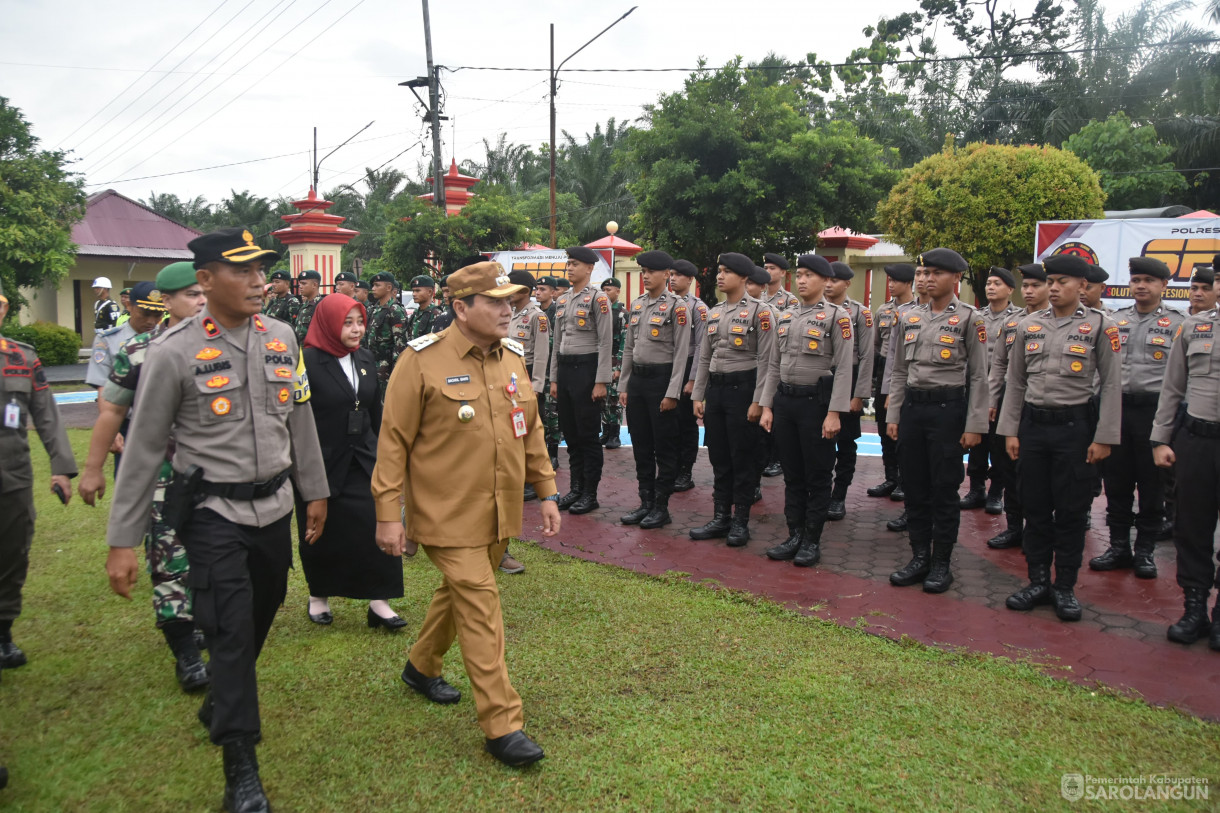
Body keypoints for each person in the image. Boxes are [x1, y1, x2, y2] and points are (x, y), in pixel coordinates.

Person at [103, 227, 330, 811]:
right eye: (243, 272)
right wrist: (123, 540)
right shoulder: (173, 351)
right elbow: (145, 448)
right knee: (228, 631)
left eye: (261, 270)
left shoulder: (282, 337)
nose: (259, 282)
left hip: (275, 506)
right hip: (211, 512)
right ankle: (241, 766)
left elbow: (298, 420)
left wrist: (316, 492)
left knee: (263, 608)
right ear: (205, 280)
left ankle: (224, 694)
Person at [372, 261, 560, 767]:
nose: (508, 309)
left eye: (509, 300)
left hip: (498, 511)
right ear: (460, 307)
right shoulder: (421, 361)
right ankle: (502, 724)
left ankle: (421, 664)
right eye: (495, 302)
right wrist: (389, 513)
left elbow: (531, 428)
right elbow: (392, 443)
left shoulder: (512, 357)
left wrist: (545, 489)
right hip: (444, 513)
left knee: (456, 596)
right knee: (480, 602)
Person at [79, 266, 209, 692]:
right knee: (169, 561)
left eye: (203, 293)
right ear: (167, 302)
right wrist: (94, 468)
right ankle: (186, 653)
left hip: (220, 478)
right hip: (164, 477)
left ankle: (204, 623)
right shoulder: (139, 350)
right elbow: (112, 412)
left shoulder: (228, 344)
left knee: (214, 560)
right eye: (192, 294)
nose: (202, 301)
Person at [999, 253, 1120, 622]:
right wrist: (1010, 430)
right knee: (1034, 507)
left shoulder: (1101, 326)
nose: (1053, 288)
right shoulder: (1028, 325)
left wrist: (1104, 438)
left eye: (1062, 282)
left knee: (1070, 511)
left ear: (1083, 286)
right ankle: (1037, 580)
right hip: (1033, 427)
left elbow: (1113, 384)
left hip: (1076, 428)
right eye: (1050, 281)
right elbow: (1015, 381)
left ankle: (1064, 586)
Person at [298, 292, 405, 628]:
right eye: (348, 322)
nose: (357, 329)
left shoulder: (366, 359)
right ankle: (319, 596)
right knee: (320, 531)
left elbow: (374, 413)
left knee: (378, 522)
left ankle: (379, 601)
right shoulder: (306, 361)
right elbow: (299, 418)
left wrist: (384, 455)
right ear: (329, 323)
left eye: (360, 322)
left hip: (363, 458)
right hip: (321, 460)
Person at [886, 248, 988, 593]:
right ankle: (919, 557)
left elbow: (979, 377)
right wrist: (894, 413)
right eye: (924, 272)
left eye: (936, 273)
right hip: (914, 409)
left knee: (944, 489)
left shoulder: (971, 319)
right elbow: (899, 370)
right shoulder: (909, 316)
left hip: (948, 411)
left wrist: (975, 425)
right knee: (914, 487)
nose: (927, 278)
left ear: (956, 278)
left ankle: (941, 562)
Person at [0, 279, 76, 670]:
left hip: (10, 476)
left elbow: (46, 416)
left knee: (12, 551)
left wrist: (61, 468)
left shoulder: (20, 357)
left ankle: (3, 631)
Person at [1090, 257, 1182, 579]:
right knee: (1116, 482)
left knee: (1152, 486)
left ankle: (1144, 552)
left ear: (1164, 285)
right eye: (1136, 280)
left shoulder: (1178, 322)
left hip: (1154, 413)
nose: (1141, 286)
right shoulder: (1114, 321)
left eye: (1149, 280)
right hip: (1117, 410)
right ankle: (1118, 547)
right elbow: (1102, 370)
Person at [759, 254, 853, 567]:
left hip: (817, 405)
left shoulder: (837, 317)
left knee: (817, 474)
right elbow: (774, 364)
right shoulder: (785, 315)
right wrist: (767, 405)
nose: (801, 280)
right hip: (786, 402)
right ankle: (794, 534)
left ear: (826, 281)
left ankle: (812, 540)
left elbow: (843, 370)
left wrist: (834, 413)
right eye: (799, 275)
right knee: (793, 475)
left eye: (809, 275)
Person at [690, 252, 776, 546]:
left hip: (744, 389)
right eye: (719, 270)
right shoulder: (714, 312)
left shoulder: (760, 312)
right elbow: (704, 358)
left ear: (743, 278)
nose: (720, 276)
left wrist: (759, 401)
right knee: (720, 458)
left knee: (743, 459)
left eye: (726, 271)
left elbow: (767, 360)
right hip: (718, 390)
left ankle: (740, 522)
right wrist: (698, 395)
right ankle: (720, 517)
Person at [1153, 292, 1220, 647]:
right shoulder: (1195, 326)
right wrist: (1160, 439)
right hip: (1197, 438)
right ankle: (1194, 609)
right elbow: (1173, 386)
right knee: (1191, 525)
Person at [618, 250, 690, 529]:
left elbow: (682, 353)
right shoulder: (636, 305)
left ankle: (661, 506)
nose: (645, 276)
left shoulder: (677, 306)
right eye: (642, 271)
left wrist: (673, 393)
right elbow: (629, 349)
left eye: (650, 272)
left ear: (666, 275)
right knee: (642, 445)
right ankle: (645, 502)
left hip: (662, 382)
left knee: (665, 447)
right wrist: (624, 384)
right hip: (638, 382)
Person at [985, 263, 1050, 550]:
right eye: (1026, 286)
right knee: (1007, 466)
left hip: (1045, 405)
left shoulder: (1064, 322)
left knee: (1041, 473)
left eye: (1036, 285)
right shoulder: (1012, 323)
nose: (1030, 291)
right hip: (1010, 402)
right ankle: (1014, 527)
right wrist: (991, 400)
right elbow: (998, 365)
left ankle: (1039, 530)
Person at [548, 247, 614, 514]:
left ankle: (590, 493)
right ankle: (575, 488)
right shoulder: (563, 300)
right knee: (571, 434)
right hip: (565, 371)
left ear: (589, 268)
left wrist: (601, 381)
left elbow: (605, 341)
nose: (570, 268)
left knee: (587, 435)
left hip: (587, 371)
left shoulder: (598, 299)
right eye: (569, 264)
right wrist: (553, 379)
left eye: (575, 264)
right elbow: (557, 343)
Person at [962, 267, 1023, 514]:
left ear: (1010, 289)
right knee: (977, 440)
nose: (990, 287)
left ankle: (996, 492)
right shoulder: (977, 316)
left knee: (999, 445)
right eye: (988, 283)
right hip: (977, 386)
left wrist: (997, 397)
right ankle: (976, 489)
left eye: (997, 283)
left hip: (1004, 388)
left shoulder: (1019, 319)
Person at [502, 270, 549, 573]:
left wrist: (538, 387)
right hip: (502, 380)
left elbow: (542, 354)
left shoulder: (536, 316)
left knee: (524, 441)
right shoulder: (507, 313)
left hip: (525, 379)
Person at [824, 262, 874, 521]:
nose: (829, 284)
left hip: (849, 379)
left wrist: (859, 395)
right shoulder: (814, 309)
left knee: (845, 443)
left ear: (846, 284)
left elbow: (866, 357)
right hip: (819, 379)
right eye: (827, 279)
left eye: (835, 280)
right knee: (817, 442)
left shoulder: (860, 314)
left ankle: (839, 495)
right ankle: (819, 493)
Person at [868, 263, 915, 499]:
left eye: (896, 280)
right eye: (889, 280)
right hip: (884, 368)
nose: (891, 284)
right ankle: (891, 477)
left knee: (902, 431)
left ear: (908, 283)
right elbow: (875, 345)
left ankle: (905, 481)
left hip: (905, 373)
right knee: (883, 428)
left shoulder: (918, 310)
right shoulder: (883, 311)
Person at [669, 260, 708, 492]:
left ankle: (685, 471)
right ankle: (671, 466)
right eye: (671, 274)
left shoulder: (698, 308)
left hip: (688, 366)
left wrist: (693, 380)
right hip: (669, 365)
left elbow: (703, 346)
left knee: (685, 422)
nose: (673, 279)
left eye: (678, 275)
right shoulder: (666, 304)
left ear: (690, 279)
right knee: (668, 422)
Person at [365, 271, 408, 401]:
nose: (373, 289)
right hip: (372, 364)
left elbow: (400, 344)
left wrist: (396, 371)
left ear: (389, 288)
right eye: (373, 286)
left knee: (385, 404)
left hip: (386, 367)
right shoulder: (373, 309)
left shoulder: (395, 310)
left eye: (377, 285)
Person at [534, 275, 562, 469]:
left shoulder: (557, 313)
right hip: (537, 370)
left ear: (553, 292)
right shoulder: (533, 313)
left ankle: (553, 454)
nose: (538, 292)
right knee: (537, 413)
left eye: (543, 289)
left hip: (552, 370)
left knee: (551, 414)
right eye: (537, 289)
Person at [600, 276, 627, 450]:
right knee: (602, 398)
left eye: (608, 290)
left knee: (614, 399)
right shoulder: (600, 311)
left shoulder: (622, 314)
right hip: (602, 361)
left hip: (615, 361)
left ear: (617, 291)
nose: (605, 293)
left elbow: (625, 342)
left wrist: (619, 367)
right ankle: (606, 432)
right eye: (603, 290)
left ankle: (615, 435)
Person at [294, 268, 325, 345]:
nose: (300, 286)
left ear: (314, 285)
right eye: (300, 284)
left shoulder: (322, 305)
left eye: (304, 284)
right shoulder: (304, 305)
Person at [407, 274, 441, 339]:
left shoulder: (436, 314)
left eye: (417, 291)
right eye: (413, 291)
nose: (414, 294)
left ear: (430, 292)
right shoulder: (416, 313)